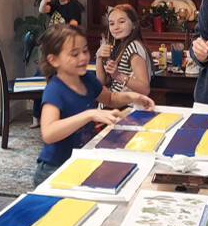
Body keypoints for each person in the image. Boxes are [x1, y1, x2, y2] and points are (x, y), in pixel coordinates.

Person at [33, 24, 155, 186]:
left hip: (79, 161)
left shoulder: (87, 78)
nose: (83, 58)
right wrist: (90, 114)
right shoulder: (55, 89)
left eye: (85, 51)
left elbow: (110, 98)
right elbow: (49, 132)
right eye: (74, 54)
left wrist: (133, 96)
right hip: (54, 169)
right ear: (53, 60)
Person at [30, 0, 84, 128]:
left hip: (63, 51)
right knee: (39, 78)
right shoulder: (54, 6)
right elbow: (42, 10)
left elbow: (73, 27)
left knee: (52, 81)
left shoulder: (74, 6)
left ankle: (54, 115)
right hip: (50, 50)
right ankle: (37, 116)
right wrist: (44, 0)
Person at [95, 4, 152, 96]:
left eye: (121, 22)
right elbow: (102, 82)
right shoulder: (120, 46)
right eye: (112, 23)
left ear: (134, 24)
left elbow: (145, 89)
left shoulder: (133, 47)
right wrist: (99, 57)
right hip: (114, 102)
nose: (116, 27)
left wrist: (118, 75)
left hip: (126, 106)